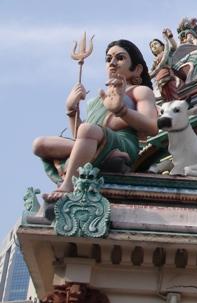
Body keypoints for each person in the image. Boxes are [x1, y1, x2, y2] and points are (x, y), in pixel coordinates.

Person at [33, 40, 158, 201]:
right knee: (40, 145)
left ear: (137, 69)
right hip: (94, 140)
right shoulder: (96, 101)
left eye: (120, 58)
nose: (112, 63)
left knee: (88, 130)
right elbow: (80, 136)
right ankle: (101, 158)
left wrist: (121, 110)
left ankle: (68, 184)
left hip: (122, 142)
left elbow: (152, 126)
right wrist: (71, 110)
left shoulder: (140, 91)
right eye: (108, 59)